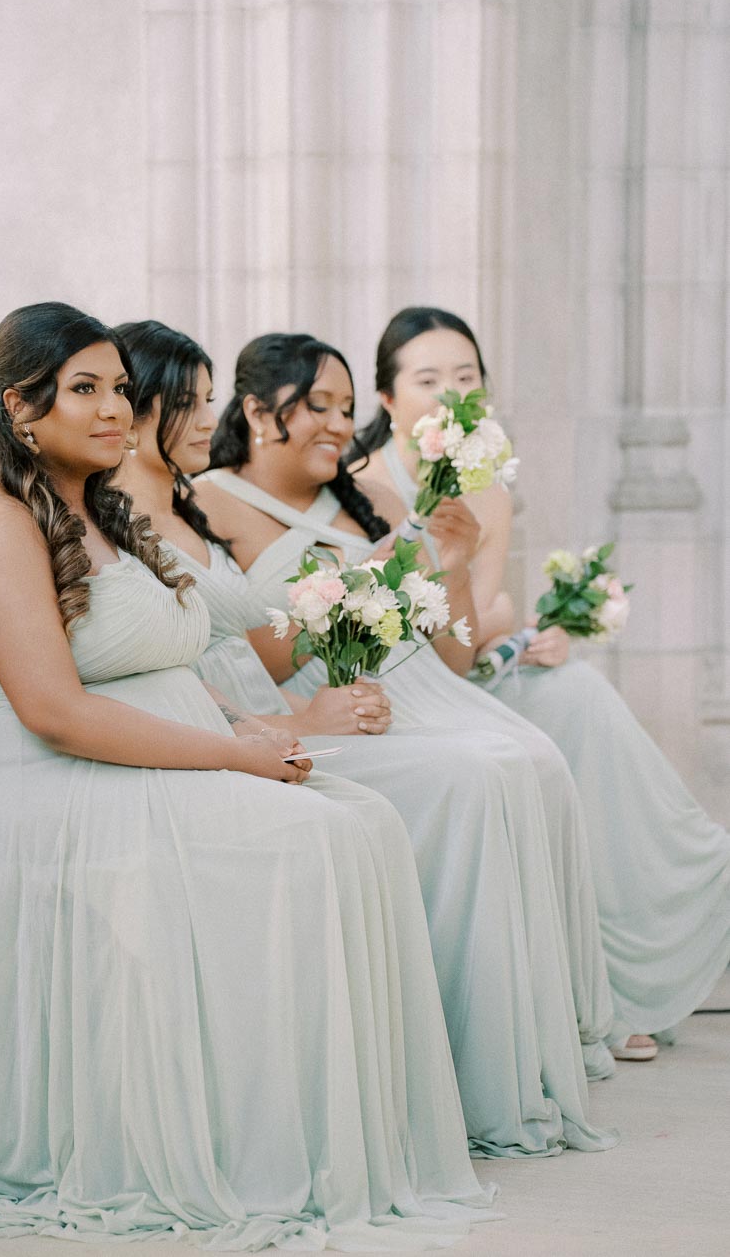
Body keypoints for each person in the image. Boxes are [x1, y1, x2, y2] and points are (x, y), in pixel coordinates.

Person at [0, 302, 499, 1247]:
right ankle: (244, 1147)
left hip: (132, 751)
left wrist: (255, 730)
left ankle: (304, 1140)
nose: (116, 408)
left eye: (118, 388)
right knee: (308, 843)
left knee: (362, 825)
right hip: (32, 780)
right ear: (21, 408)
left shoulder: (99, 510)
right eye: (86, 389)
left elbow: (169, 664)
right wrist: (236, 755)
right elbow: (55, 710)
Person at [115, 318, 619, 1159]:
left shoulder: (289, 499)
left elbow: (449, 643)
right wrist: (333, 643)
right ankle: (454, 1064)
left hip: (378, 691)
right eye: (317, 403)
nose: (339, 423)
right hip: (285, 704)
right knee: (474, 778)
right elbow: (242, 653)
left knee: (525, 756)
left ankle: (513, 1049)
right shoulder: (201, 502)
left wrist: (443, 566)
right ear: (257, 409)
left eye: (347, 407)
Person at [352, 303, 730, 1053]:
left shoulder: (487, 488)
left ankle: (611, 978)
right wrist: (502, 624)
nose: (450, 393)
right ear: (389, 399)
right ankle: (574, 994)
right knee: (554, 722)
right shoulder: (358, 484)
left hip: (466, 667)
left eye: (466, 377)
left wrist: (530, 632)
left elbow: (484, 607)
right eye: (428, 379)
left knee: (577, 694)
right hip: (389, 675)